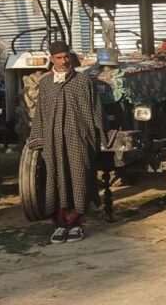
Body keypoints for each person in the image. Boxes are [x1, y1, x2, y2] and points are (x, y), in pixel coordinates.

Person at [32, 41, 104, 244]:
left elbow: (96, 110)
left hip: (78, 139)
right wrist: (38, 137)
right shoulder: (46, 84)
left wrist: (101, 137)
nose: (64, 61)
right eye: (59, 58)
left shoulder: (83, 81)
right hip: (53, 142)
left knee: (79, 178)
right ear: (51, 59)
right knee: (56, 180)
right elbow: (40, 113)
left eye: (66, 57)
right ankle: (60, 224)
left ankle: (76, 224)